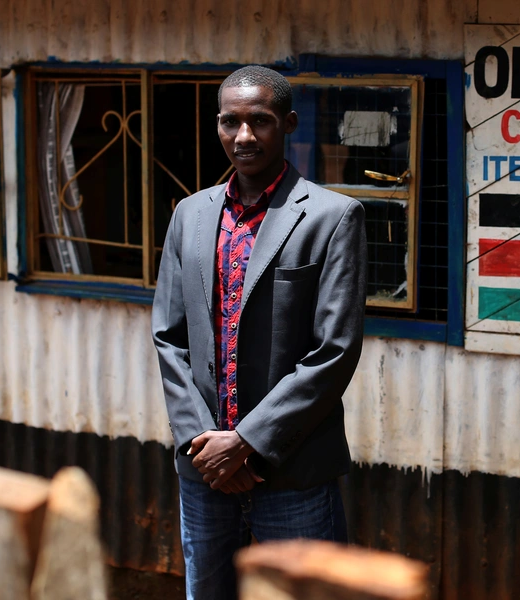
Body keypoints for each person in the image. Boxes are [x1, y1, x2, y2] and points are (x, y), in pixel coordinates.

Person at [151, 65, 367, 600]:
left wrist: (246, 443)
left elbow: (333, 351)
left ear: (288, 123)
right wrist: (205, 446)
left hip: (290, 470)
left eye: (260, 121)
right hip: (204, 472)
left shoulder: (332, 217)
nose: (243, 136)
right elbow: (168, 337)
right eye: (230, 122)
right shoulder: (189, 215)